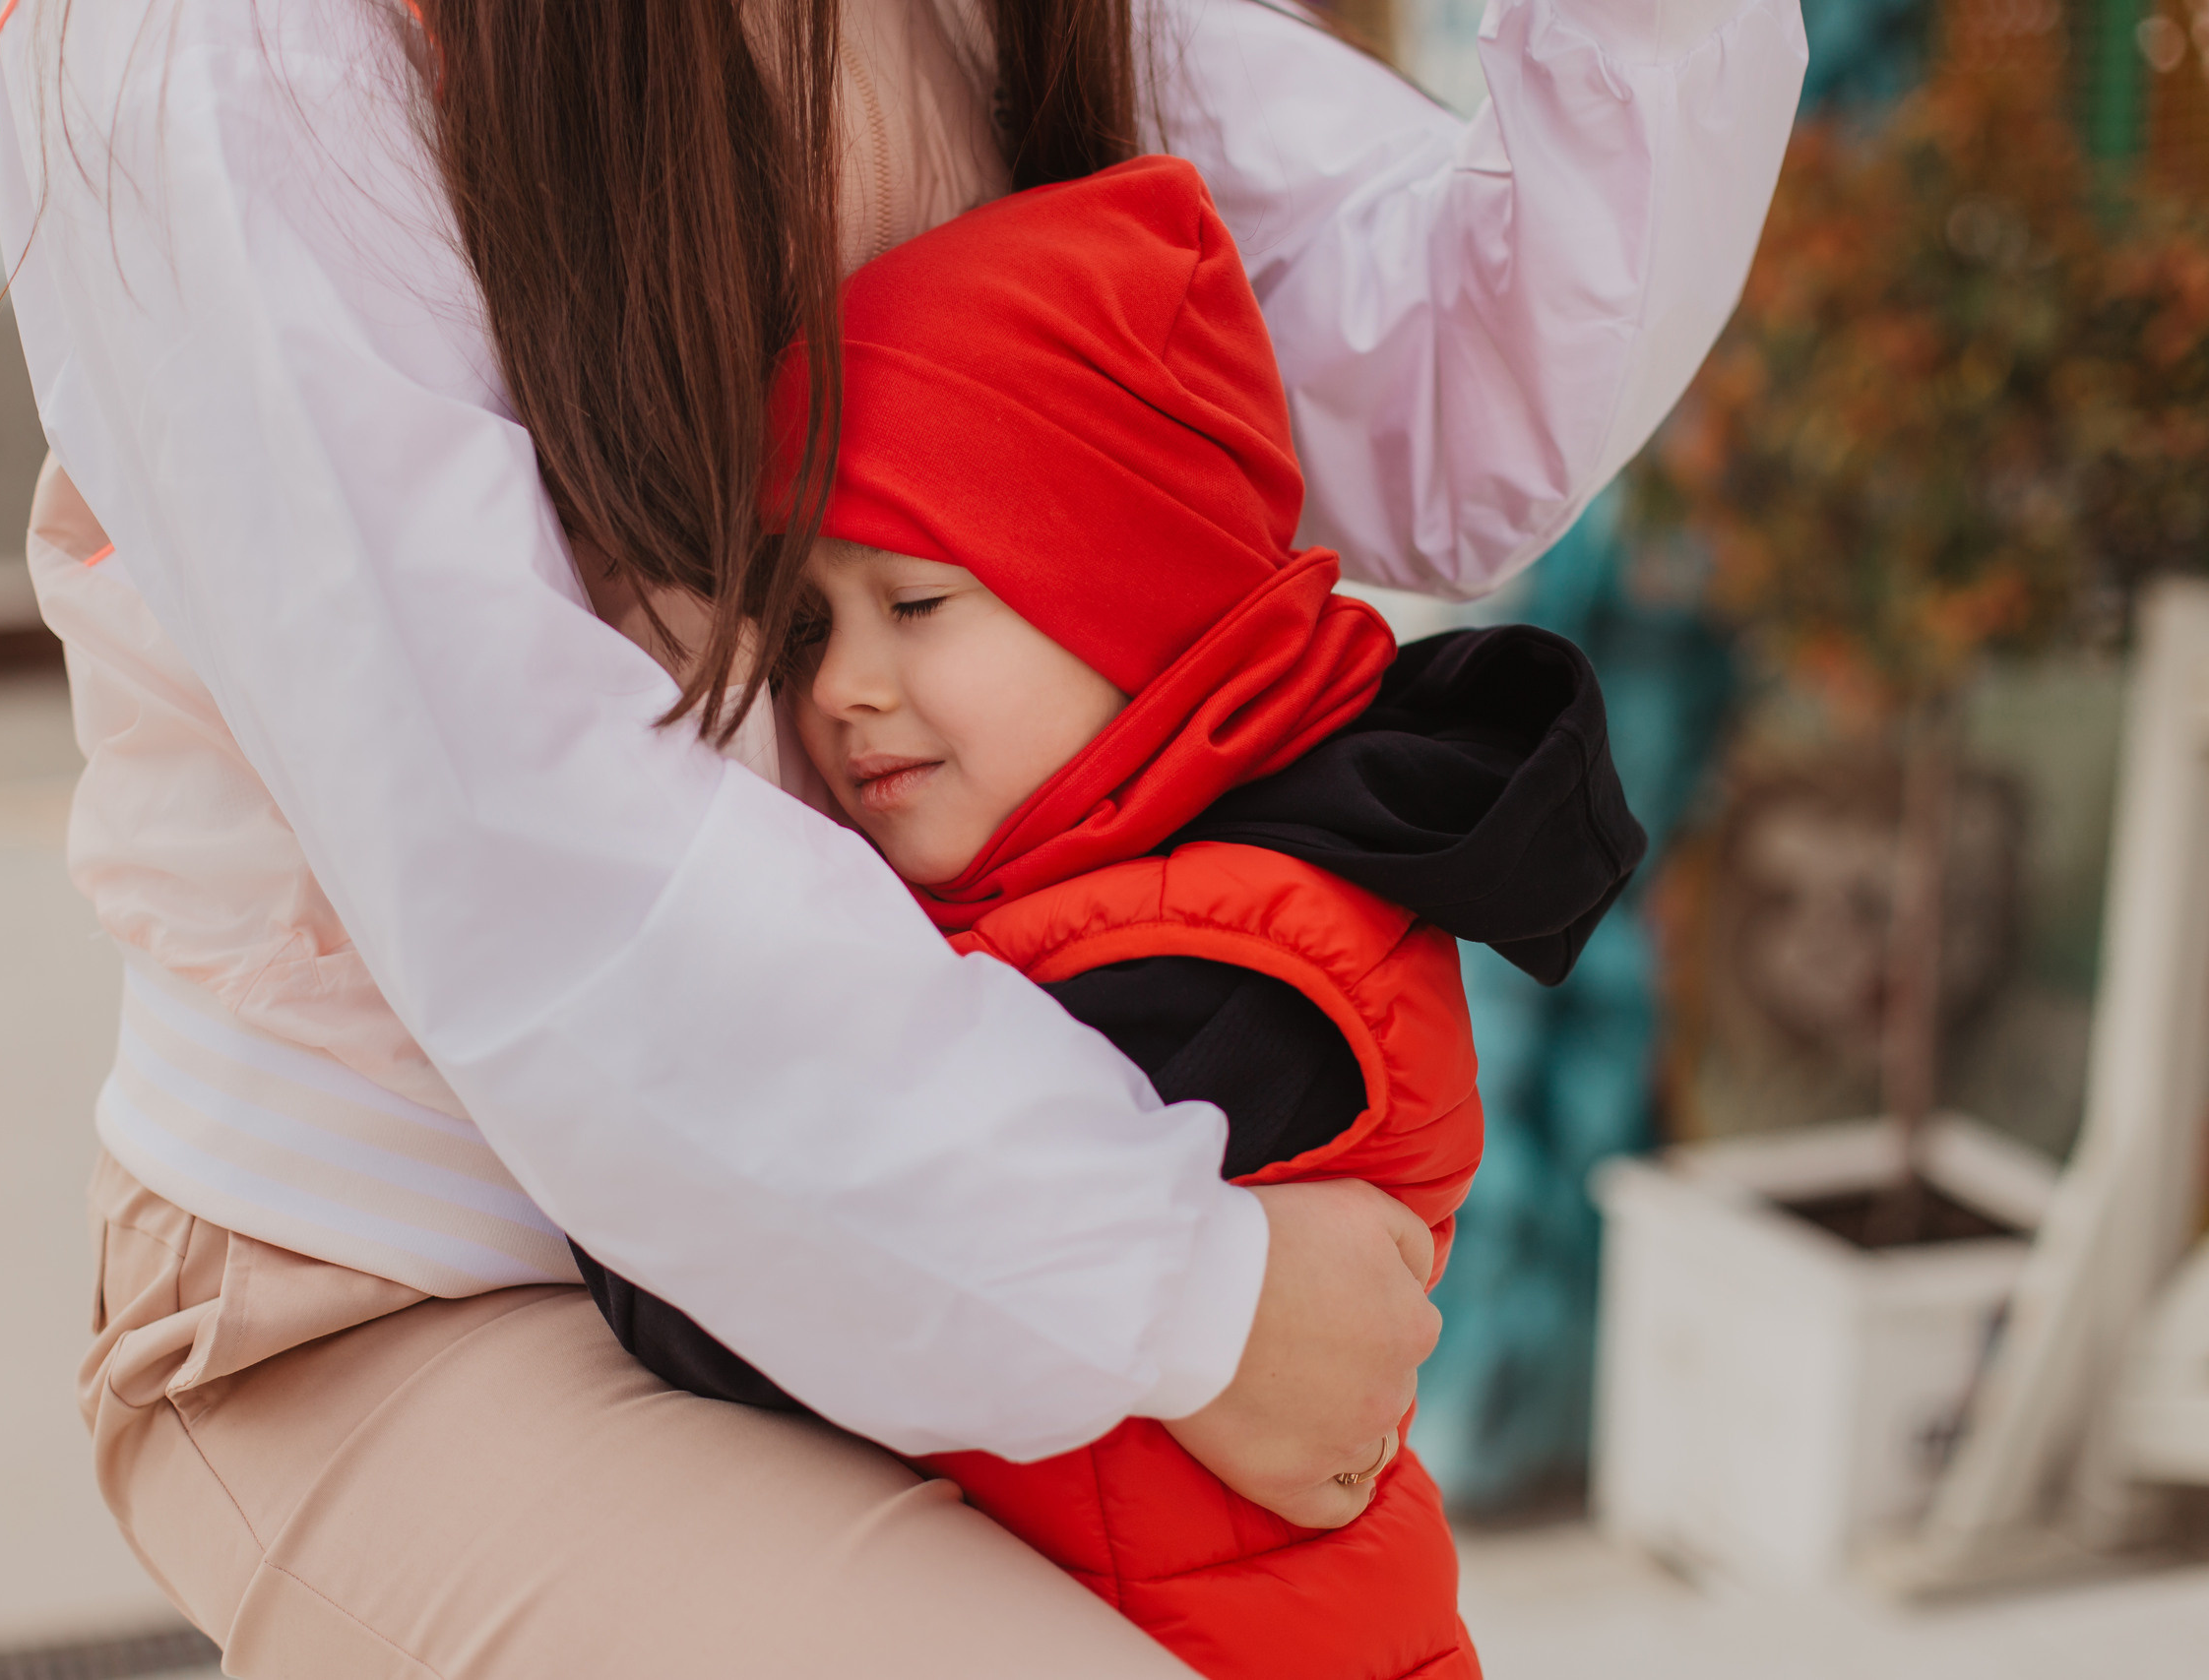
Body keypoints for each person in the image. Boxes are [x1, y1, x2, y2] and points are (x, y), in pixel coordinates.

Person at [0, 0, 1806, 1672]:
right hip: (401, 1275)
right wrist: (1187, 1292)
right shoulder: (218, 49)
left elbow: (1449, 380)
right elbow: (535, 859)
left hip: (925, 1240)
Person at [575, 154, 1644, 1680]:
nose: (839, 687)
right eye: (805, 624)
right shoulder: (1116, 891)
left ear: (1124, 584)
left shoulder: (1231, 970)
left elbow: (750, 1285)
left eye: (917, 602)